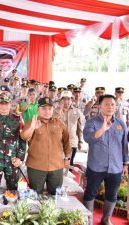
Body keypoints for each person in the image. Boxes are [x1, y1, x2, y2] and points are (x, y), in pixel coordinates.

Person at [83, 94, 128, 225]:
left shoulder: (121, 124)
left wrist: (125, 163)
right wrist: (102, 129)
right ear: (100, 106)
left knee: (112, 195)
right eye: (107, 104)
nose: (110, 107)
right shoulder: (92, 122)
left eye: (112, 104)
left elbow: (124, 145)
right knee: (90, 193)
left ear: (116, 107)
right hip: (96, 165)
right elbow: (88, 139)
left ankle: (106, 219)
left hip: (115, 167)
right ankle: (88, 219)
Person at [20, 97, 71, 195]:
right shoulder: (31, 122)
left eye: (49, 108)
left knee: (55, 196)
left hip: (56, 167)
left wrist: (67, 158)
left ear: (53, 109)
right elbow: (24, 137)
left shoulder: (59, 123)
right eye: (43, 108)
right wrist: (32, 128)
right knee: (35, 196)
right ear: (38, 109)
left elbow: (67, 142)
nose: (47, 111)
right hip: (36, 167)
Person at [54, 91, 85, 167]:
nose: (66, 102)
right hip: (58, 142)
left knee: (69, 164)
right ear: (60, 100)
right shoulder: (54, 111)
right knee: (57, 164)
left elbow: (79, 127)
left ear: (71, 100)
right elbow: (52, 123)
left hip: (72, 142)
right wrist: (60, 111)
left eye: (68, 99)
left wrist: (80, 141)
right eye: (64, 99)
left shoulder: (77, 111)